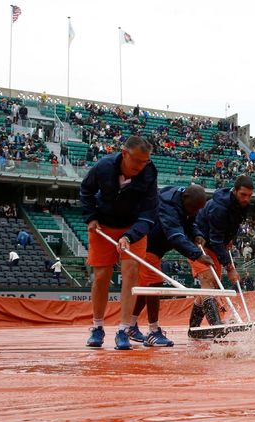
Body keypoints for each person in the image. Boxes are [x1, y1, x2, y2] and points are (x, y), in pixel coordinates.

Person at [80, 136, 159, 350]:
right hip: (103, 225)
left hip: (133, 227)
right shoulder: (103, 166)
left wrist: (129, 236)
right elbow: (86, 191)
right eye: (138, 161)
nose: (142, 166)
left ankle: (124, 330)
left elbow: (149, 213)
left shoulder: (149, 173)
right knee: (101, 276)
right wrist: (91, 218)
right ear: (124, 153)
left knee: (131, 273)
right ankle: (97, 327)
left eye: (146, 162)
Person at [127, 184, 212, 347]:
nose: (195, 212)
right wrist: (197, 255)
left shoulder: (187, 203)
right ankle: (153, 331)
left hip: (156, 246)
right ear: (185, 199)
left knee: (147, 287)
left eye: (198, 209)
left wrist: (197, 234)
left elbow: (189, 223)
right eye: (193, 208)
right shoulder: (167, 205)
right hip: (145, 243)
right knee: (154, 284)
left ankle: (131, 326)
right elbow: (175, 235)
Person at [192, 175, 254, 327]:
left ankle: (193, 327)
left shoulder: (242, 206)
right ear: (234, 191)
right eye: (243, 195)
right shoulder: (219, 207)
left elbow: (232, 227)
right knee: (207, 280)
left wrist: (230, 239)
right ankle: (216, 326)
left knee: (210, 287)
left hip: (215, 245)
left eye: (249, 195)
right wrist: (230, 269)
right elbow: (215, 239)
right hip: (198, 242)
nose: (246, 199)